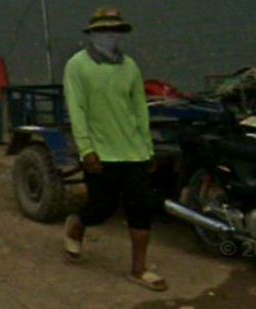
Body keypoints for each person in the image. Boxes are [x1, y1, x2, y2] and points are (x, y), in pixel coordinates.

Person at [63, 7, 167, 291]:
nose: (109, 35)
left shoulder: (130, 67)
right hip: (101, 153)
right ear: (93, 33)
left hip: (134, 151)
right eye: (103, 30)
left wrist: (148, 147)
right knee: (102, 208)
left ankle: (139, 269)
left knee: (141, 209)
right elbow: (77, 109)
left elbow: (139, 109)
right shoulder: (77, 65)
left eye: (114, 30)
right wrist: (86, 150)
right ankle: (77, 226)